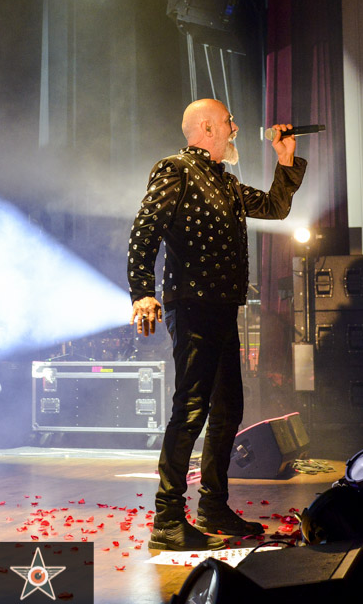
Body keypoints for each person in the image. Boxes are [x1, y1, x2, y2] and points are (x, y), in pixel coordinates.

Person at [128, 98, 306, 551]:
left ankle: (212, 505)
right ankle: (167, 519)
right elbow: (144, 230)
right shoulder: (176, 170)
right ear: (207, 128)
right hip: (192, 306)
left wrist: (285, 162)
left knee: (228, 410)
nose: (236, 128)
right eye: (229, 122)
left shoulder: (224, 181)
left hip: (223, 309)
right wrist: (142, 292)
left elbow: (274, 208)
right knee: (191, 409)